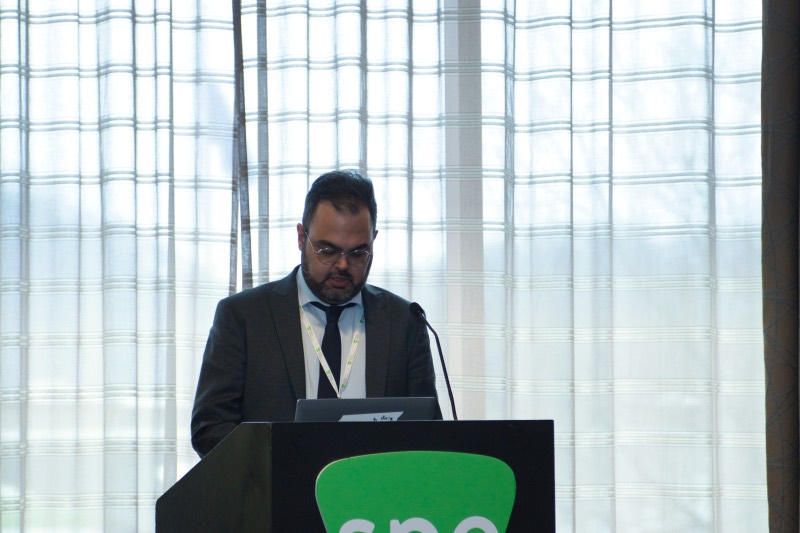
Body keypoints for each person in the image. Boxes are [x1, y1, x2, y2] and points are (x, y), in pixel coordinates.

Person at [190, 169, 441, 457]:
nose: (343, 265)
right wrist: (283, 464)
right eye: (328, 251)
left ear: (373, 240)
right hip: (277, 484)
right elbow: (210, 428)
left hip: (374, 484)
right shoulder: (243, 317)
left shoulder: (405, 321)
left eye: (358, 253)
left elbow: (429, 431)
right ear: (301, 237)